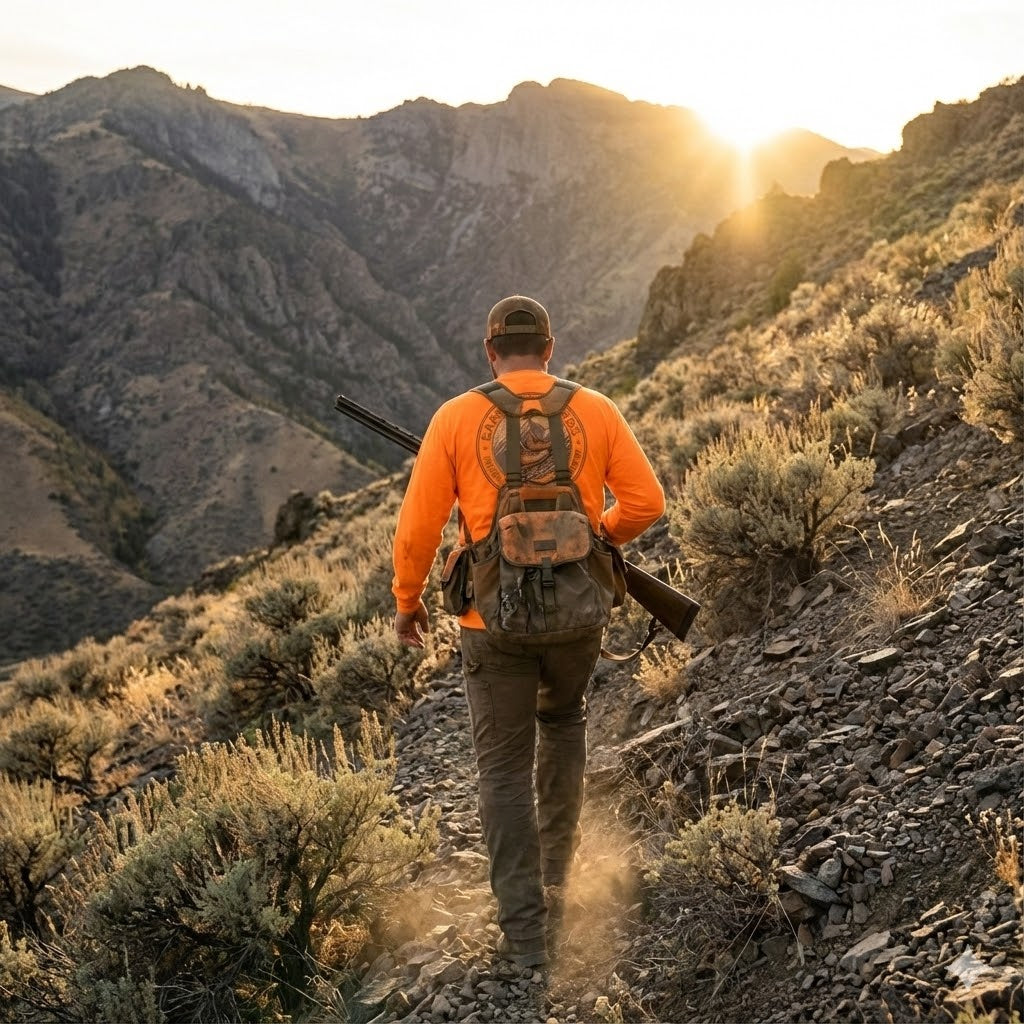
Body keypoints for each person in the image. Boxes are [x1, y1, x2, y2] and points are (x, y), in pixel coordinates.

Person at [391, 295, 665, 968]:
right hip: (577, 617)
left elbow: (419, 529)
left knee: (503, 770)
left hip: (492, 624)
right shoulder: (595, 408)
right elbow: (647, 503)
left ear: (491, 351)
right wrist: (591, 540)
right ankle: (557, 882)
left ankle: (524, 930)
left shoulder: (455, 418)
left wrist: (408, 601)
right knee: (566, 724)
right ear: (549, 347)